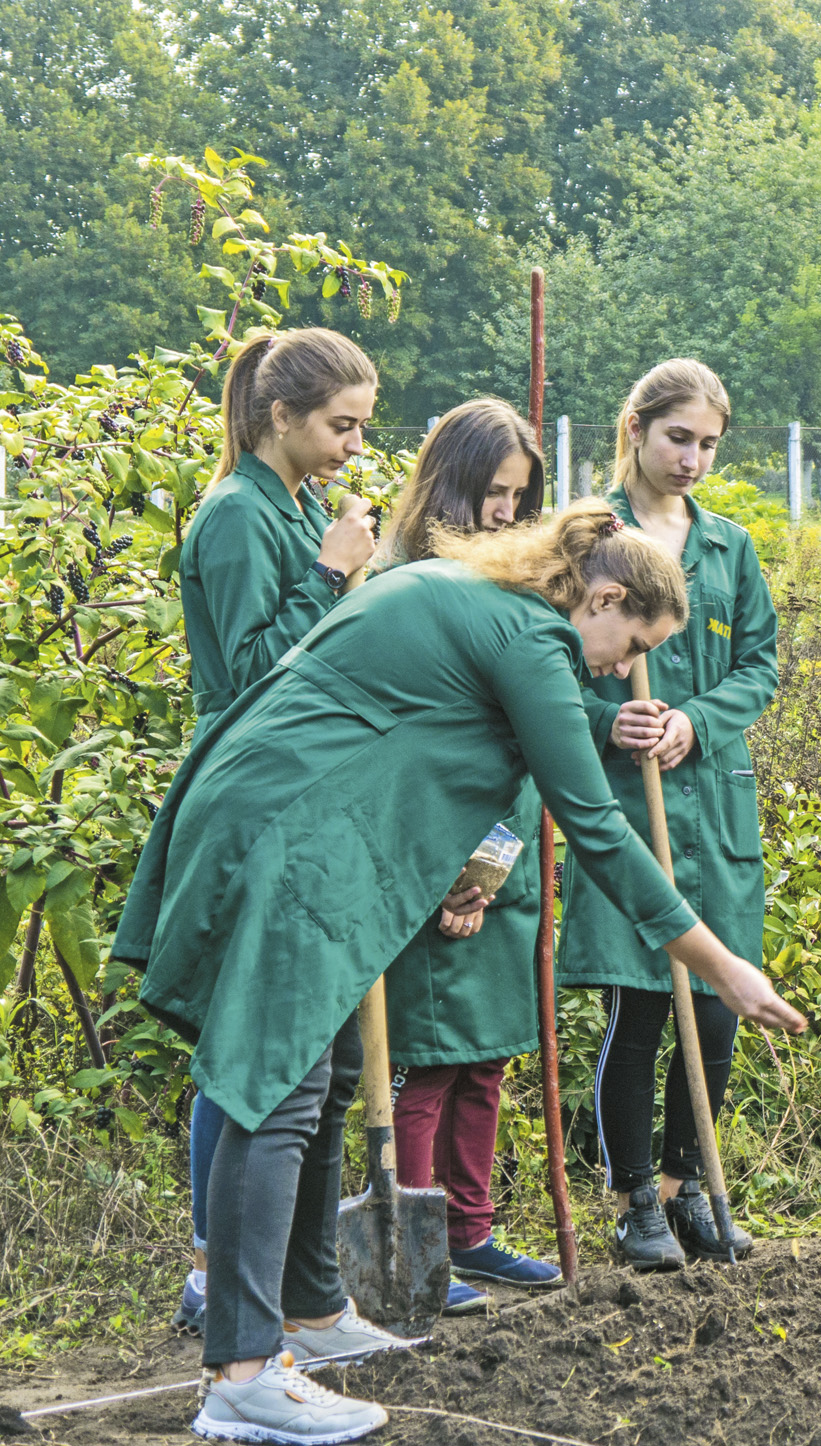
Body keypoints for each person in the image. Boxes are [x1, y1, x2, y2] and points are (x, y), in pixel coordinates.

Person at [112, 500, 806, 1445]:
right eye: (626, 643)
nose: (615, 669)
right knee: (273, 1086)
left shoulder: (464, 589)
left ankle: (313, 1317)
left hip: (281, 813)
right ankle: (241, 1374)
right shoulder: (527, 639)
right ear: (599, 596)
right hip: (290, 831)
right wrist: (721, 965)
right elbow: (595, 824)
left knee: (327, 1075)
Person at [173, 328, 380, 1336]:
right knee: (251, 1049)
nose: (352, 447)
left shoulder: (296, 507)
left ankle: (301, 1291)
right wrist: (333, 574)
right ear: (281, 417)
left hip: (306, 794)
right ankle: (217, 1270)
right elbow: (257, 673)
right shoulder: (232, 517)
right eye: (339, 426)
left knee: (307, 1054)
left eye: (361, 428)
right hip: (251, 790)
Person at [555, 360, 780, 1270]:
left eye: (708, 445)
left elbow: (758, 665)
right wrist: (616, 719)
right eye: (677, 438)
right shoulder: (586, 538)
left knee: (719, 1008)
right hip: (624, 802)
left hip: (711, 806)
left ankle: (694, 1192)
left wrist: (698, 718)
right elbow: (549, 667)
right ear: (637, 429)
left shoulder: (729, 546)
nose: (691, 460)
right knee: (640, 1009)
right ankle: (635, 1197)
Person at [375, 399, 561, 1315]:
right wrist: (450, 873)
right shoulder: (402, 585)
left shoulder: (522, 592)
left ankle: (471, 1235)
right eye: (491, 494)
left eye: (521, 500)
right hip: (418, 863)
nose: (505, 516)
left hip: (499, 859)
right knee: (423, 1063)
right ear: (448, 487)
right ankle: (412, 1249)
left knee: (485, 1060)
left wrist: (488, 873)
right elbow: (419, 751)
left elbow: (531, 747)